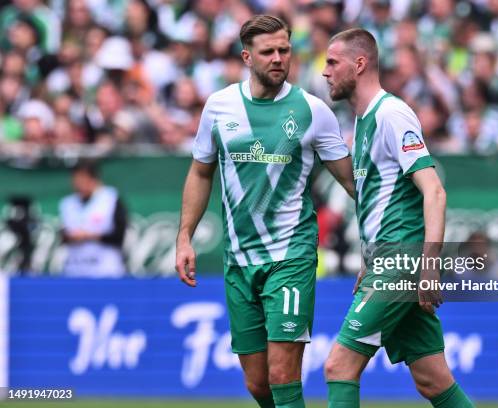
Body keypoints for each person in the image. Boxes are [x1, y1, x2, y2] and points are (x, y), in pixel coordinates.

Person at [175, 15, 354, 408]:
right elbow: (200, 172)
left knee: (281, 374)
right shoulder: (219, 107)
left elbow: (353, 183)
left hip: (290, 256)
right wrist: (185, 237)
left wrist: (389, 232)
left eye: (284, 50)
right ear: (246, 56)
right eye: (268, 51)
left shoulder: (312, 111)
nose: (278, 58)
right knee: (258, 383)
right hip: (239, 260)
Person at [322, 29, 475, 407]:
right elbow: (382, 202)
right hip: (387, 259)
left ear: (359, 64)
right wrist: (369, 258)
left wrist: (427, 264)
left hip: (401, 260)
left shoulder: (392, 114)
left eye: (332, 62)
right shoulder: (362, 122)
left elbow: (434, 191)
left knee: (339, 367)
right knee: (432, 380)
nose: (324, 72)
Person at [59, 160, 128, 277]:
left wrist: (89, 235)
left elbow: (119, 236)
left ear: (93, 179)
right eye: (75, 179)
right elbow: (63, 235)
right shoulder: (67, 203)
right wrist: (70, 236)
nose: (78, 184)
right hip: (75, 269)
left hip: (105, 270)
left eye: (82, 179)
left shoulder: (110, 199)